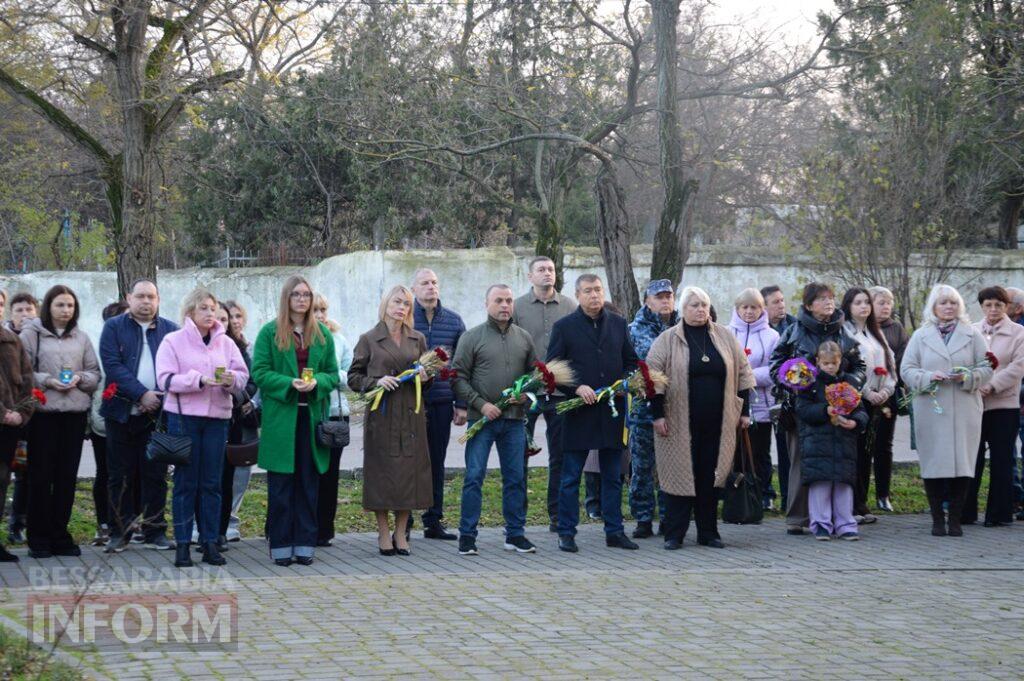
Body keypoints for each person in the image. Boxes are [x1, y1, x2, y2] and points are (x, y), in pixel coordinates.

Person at [646, 286, 755, 550]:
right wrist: (657, 415)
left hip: (719, 422)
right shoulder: (667, 339)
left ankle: (708, 532)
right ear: (682, 309)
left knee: (710, 475)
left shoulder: (725, 337)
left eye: (704, 305)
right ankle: (675, 533)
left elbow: (743, 374)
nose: (700, 310)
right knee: (679, 475)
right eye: (694, 305)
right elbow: (653, 379)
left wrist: (745, 412)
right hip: (678, 422)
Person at [156, 289, 248, 568]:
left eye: (213, 308)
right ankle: (183, 544)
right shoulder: (173, 340)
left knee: (212, 483)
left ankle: (209, 542)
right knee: (186, 483)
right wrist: (198, 380)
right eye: (204, 309)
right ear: (190, 312)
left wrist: (231, 380)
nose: (210, 314)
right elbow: (165, 380)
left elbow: (243, 377)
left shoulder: (226, 343)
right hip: (184, 419)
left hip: (218, 419)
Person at [547, 274, 638, 553]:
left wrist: (624, 383)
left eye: (598, 290)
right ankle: (566, 532)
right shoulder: (564, 327)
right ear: (578, 294)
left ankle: (614, 531)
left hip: (611, 411)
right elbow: (552, 368)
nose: (594, 295)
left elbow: (631, 362)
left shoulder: (619, 324)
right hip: (579, 413)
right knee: (571, 475)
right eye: (588, 291)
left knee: (612, 475)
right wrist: (576, 387)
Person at [252, 276, 340, 566]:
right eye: (296, 294)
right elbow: (260, 372)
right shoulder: (269, 333)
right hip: (282, 419)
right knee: (281, 486)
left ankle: (305, 544)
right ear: (286, 298)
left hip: (312, 417)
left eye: (306, 295)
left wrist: (318, 383)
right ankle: (280, 545)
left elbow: (332, 373)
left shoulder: (322, 336)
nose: (302, 299)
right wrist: (289, 382)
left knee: (308, 483)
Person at [770, 282, 865, 536]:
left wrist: (848, 386)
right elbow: (776, 365)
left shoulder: (844, 333)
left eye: (831, 298)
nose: (828, 303)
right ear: (809, 305)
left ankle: (840, 519)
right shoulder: (794, 331)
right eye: (822, 299)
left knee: (838, 462)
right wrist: (793, 381)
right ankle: (800, 517)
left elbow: (859, 366)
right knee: (803, 461)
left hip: (839, 409)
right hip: (804, 406)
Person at [451, 284, 538, 555]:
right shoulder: (472, 337)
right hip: (482, 421)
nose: (504, 305)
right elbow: (458, 377)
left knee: (515, 477)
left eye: (509, 300)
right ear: (486, 303)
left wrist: (525, 396)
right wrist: (481, 404)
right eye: (498, 300)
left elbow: (536, 375)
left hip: (513, 421)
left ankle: (515, 534)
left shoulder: (523, 337)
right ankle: (467, 536)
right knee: (474, 477)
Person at [901, 284, 992, 537]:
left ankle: (956, 519)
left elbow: (987, 368)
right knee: (933, 463)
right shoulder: (921, 335)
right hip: (932, 407)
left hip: (964, 407)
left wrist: (967, 377)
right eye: (943, 303)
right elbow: (907, 370)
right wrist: (930, 376)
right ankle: (937, 519)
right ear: (934, 307)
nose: (949, 307)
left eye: (953, 302)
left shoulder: (973, 335)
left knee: (962, 463)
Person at [348, 285, 432, 556]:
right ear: (385, 304)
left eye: (407, 303)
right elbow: (353, 377)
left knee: (410, 473)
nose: (402, 307)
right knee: (382, 474)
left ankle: (401, 532)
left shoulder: (417, 338)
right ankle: (383, 531)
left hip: (411, 414)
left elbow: (426, 376)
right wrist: (377, 381)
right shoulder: (369, 338)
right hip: (382, 415)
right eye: (397, 301)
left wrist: (426, 378)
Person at [21, 285, 100, 558]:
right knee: (41, 478)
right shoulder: (32, 335)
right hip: (43, 416)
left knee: (66, 478)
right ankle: (38, 538)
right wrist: (48, 381)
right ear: (48, 307)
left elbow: (94, 373)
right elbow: (22, 372)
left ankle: (60, 535)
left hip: (74, 416)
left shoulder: (82, 337)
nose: (66, 310)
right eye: (60, 305)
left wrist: (80, 379)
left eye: (70, 305)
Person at [100, 280, 178, 554]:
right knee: (119, 475)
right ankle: (119, 533)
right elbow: (112, 365)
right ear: (129, 297)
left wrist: (157, 399)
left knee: (155, 474)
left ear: (158, 300)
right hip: (121, 412)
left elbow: (178, 368)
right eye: (141, 296)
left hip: (157, 415)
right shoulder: (114, 327)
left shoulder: (170, 330)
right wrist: (141, 394)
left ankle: (155, 531)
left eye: (151, 297)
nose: (146, 302)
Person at [513, 256, 576, 532]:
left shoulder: (570, 307)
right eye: (541, 270)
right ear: (530, 277)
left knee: (560, 454)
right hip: (526, 393)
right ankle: (518, 517)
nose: (547, 274)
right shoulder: (517, 308)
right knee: (519, 453)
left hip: (560, 393)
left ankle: (557, 514)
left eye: (550, 269)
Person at [411, 268, 466, 540]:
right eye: (424, 283)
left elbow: (463, 366)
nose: (431, 287)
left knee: (437, 461)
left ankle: (433, 520)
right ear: (414, 289)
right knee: (409, 460)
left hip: (442, 401)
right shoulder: (404, 319)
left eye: (434, 282)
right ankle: (404, 521)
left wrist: (462, 403)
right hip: (411, 402)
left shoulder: (454, 322)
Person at [963, 286, 1024, 527]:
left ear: (1007, 307)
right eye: (988, 305)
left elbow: (1018, 366)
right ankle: (965, 512)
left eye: (998, 305)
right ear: (981, 307)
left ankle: (999, 514)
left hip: (1004, 404)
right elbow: (964, 361)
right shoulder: (971, 331)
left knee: (1001, 459)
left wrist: (993, 385)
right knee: (972, 458)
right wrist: (974, 383)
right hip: (975, 402)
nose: (993, 310)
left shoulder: (1018, 332)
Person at [797, 341, 868, 541]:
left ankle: (845, 524)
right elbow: (802, 410)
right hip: (817, 443)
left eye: (833, 363)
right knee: (820, 485)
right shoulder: (809, 383)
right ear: (818, 361)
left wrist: (855, 423)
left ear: (840, 362)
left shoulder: (848, 383)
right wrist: (824, 410)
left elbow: (861, 410)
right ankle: (820, 524)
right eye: (826, 363)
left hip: (844, 442)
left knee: (844, 485)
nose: (830, 367)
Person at [841, 287, 897, 525]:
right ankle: (851, 504)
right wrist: (866, 392)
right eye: (858, 303)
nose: (864, 307)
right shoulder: (844, 333)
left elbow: (891, 366)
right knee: (854, 454)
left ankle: (862, 502)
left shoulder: (876, 333)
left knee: (868, 452)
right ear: (848, 307)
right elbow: (846, 368)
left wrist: (886, 390)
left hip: (879, 400)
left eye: (866, 302)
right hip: (856, 399)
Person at [627, 279, 678, 537]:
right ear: (647, 300)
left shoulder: (683, 326)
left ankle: (671, 517)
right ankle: (643, 517)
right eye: (659, 297)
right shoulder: (635, 329)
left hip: (676, 406)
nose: (665, 301)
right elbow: (639, 365)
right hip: (643, 409)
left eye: (669, 296)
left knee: (671, 465)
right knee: (643, 466)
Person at [728, 288, 780, 511]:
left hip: (762, 405)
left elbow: (775, 371)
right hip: (733, 403)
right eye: (745, 307)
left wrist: (747, 376)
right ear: (737, 309)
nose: (749, 312)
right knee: (735, 452)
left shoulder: (772, 336)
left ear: (762, 310)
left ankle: (765, 493)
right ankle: (738, 493)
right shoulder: (726, 333)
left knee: (760, 452)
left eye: (754, 307)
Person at [311, 294, 353, 547]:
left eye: (323, 310)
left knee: (330, 475)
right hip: (309, 412)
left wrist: (330, 374)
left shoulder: (338, 339)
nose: (319, 315)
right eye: (315, 310)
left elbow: (351, 375)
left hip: (335, 414)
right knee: (307, 474)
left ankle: (324, 529)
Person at [87, 301, 128, 547]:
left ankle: (130, 522)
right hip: (103, 422)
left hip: (131, 419)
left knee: (132, 474)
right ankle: (105, 523)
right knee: (106, 473)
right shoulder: (103, 348)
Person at [0, 290, 35, 562]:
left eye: (0, 304)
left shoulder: (12, 341)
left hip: (11, 425)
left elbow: (25, 381)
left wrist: (21, 413)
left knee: (2, 481)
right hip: (4, 418)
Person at [869, 286, 910, 512]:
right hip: (865, 394)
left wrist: (890, 385)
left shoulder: (897, 329)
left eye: (889, 302)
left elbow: (903, 362)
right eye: (881, 302)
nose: (886, 307)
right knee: (863, 447)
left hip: (889, 394)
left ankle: (883, 495)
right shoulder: (862, 327)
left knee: (884, 445)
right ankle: (859, 494)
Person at [220, 300, 258, 543]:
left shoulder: (242, 348)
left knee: (239, 473)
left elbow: (252, 381)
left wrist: (244, 397)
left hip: (240, 418)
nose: (231, 322)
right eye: (226, 317)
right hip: (212, 418)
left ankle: (229, 521)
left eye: (235, 316)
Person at [760, 284, 795, 509]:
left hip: (787, 397)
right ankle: (766, 494)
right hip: (762, 397)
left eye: (782, 301)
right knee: (762, 449)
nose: (781, 305)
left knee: (786, 448)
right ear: (764, 307)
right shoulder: (757, 328)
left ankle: (788, 497)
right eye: (775, 302)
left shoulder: (793, 327)